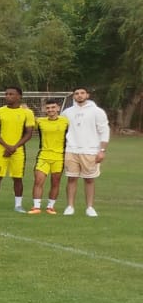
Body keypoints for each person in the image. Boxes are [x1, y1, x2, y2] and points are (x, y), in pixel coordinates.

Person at [61, 86, 110, 216]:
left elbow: (104, 131)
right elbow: (60, 127)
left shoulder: (97, 111)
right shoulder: (67, 112)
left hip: (90, 151)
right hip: (71, 149)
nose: (79, 95)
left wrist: (102, 150)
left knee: (89, 180)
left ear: (87, 95)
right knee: (71, 178)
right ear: (73, 96)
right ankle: (70, 206)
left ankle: (89, 207)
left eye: (82, 93)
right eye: (76, 93)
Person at [0, 87, 37, 212]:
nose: (8, 96)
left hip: (18, 151)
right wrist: (7, 146)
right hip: (1, 150)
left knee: (17, 178)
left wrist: (14, 147)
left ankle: (18, 205)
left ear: (19, 96)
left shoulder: (27, 113)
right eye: (6, 94)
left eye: (11, 94)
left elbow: (29, 133)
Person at [30, 100, 67, 214]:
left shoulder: (66, 121)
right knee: (38, 181)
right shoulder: (40, 121)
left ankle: (50, 207)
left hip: (59, 157)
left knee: (55, 182)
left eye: (53, 107)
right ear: (45, 110)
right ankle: (36, 207)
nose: (50, 110)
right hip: (43, 156)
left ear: (58, 108)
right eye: (48, 108)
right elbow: (25, 119)